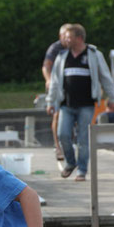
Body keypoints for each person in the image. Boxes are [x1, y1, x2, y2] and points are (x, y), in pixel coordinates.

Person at [46, 23, 114, 182]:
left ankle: (82, 170)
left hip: (86, 105)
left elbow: (105, 78)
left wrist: (113, 99)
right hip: (66, 104)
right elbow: (55, 82)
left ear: (79, 38)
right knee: (63, 134)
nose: (65, 39)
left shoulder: (93, 54)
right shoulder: (62, 56)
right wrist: (50, 101)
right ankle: (70, 162)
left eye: (69, 37)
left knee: (83, 139)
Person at [42, 23, 71, 161]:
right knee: (57, 115)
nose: (68, 39)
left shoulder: (75, 48)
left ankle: (68, 143)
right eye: (65, 36)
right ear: (61, 36)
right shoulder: (55, 48)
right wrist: (48, 80)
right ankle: (58, 146)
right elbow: (46, 67)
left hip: (71, 87)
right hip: (57, 85)